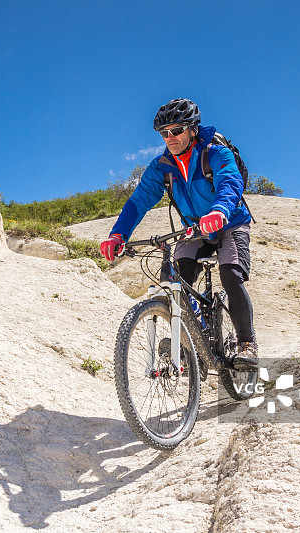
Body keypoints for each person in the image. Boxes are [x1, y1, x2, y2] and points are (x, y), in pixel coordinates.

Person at [100, 98, 257, 369]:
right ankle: (191, 339)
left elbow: (230, 182)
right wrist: (118, 235)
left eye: (176, 130)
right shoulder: (161, 167)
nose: (170, 138)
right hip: (194, 229)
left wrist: (219, 211)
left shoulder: (215, 153)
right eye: (164, 133)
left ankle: (247, 343)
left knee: (230, 274)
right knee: (176, 279)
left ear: (192, 129)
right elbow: (138, 202)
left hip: (230, 222)